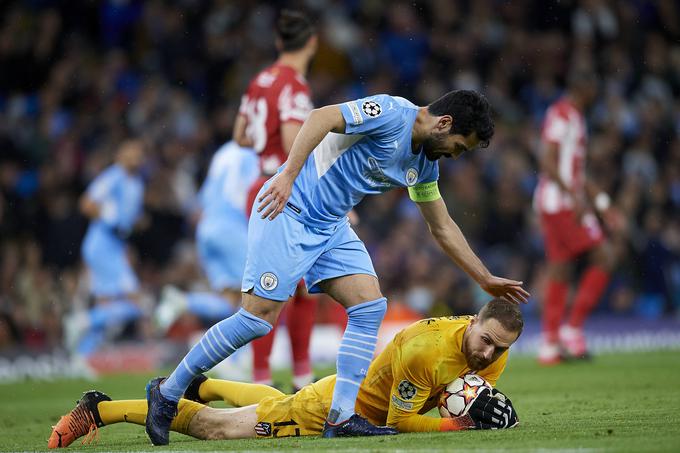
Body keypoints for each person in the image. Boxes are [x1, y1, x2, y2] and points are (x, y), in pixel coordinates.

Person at [145, 88, 530, 445]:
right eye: (459, 147)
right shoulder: (392, 113)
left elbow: (441, 225)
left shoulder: (425, 166)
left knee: (368, 306)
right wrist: (287, 176)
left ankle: (341, 417)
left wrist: (484, 278)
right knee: (257, 319)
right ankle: (166, 393)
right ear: (444, 124)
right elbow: (320, 118)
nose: (455, 155)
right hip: (289, 208)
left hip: (331, 226)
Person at [49, 299, 522, 448]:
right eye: (486, 341)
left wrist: (466, 402)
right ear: (473, 319)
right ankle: (101, 410)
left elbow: (466, 387)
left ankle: (206, 384)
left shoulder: (492, 348)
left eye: (499, 348)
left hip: (340, 394)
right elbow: (399, 424)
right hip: (329, 412)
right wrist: (458, 423)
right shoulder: (426, 352)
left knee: (271, 401)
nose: (489, 355)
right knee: (217, 429)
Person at [235, 9, 320, 391]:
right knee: (275, 290)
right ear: (312, 43)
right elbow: (292, 145)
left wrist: (263, 143)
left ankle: (297, 377)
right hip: (283, 189)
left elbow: (240, 135)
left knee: (298, 287)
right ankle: (264, 382)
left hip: (260, 184)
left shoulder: (258, 81)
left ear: (278, 42)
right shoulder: (294, 87)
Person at [533, 70, 621, 365]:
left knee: (561, 269)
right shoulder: (561, 114)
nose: (595, 95)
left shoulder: (576, 118)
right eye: (592, 89)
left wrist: (602, 203)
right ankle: (571, 331)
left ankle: (549, 344)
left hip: (560, 202)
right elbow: (547, 160)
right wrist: (574, 196)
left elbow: (579, 173)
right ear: (583, 87)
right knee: (604, 256)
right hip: (561, 204)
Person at [155, 140, 259, 333]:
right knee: (257, 295)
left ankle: (185, 301)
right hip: (231, 228)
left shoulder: (223, 152)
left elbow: (199, 204)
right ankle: (241, 358)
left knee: (229, 301)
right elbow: (254, 195)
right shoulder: (254, 155)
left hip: (207, 227)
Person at [70, 139, 146, 356]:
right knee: (136, 299)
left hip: (115, 246)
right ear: (120, 155)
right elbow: (86, 204)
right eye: (132, 151)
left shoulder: (137, 183)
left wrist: (132, 226)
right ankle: (81, 321)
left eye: (139, 152)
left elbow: (130, 218)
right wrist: (110, 220)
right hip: (102, 244)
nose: (137, 156)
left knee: (106, 304)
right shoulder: (113, 177)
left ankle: (84, 353)